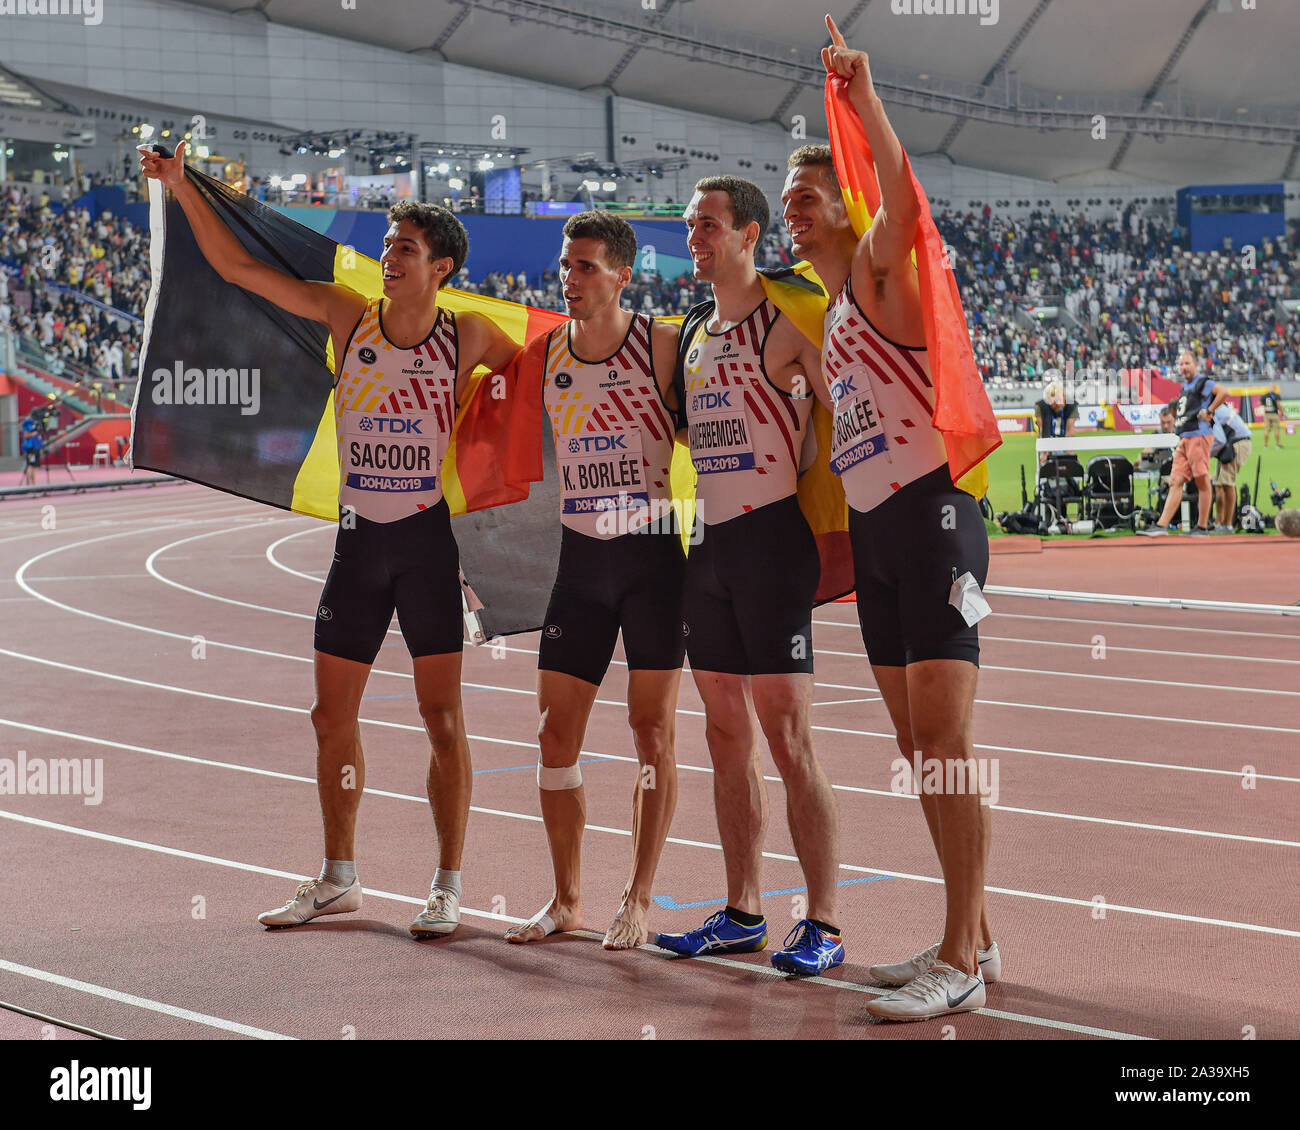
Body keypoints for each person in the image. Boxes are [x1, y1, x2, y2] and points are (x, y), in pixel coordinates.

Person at [140, 140, 523, 937]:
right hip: (359, 547)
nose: (389, 256)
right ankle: (339, 877)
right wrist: (182, 189)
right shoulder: (349, 314)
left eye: (406, 249)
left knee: (441, 718)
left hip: (425, 546)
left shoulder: (474, 336)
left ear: (441, 266)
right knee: (329, 716)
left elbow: (541, 396)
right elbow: (242, 272)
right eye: (387, 244)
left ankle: (448, 886)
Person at [776, 14, 999, 1020]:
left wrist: (863, 100)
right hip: (876, 538)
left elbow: (907, 206)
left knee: (946, 738)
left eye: (807, 193)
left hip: (935, 516)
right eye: (786, 197)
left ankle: (959, 953)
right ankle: (976, 934)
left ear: (843, 202)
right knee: (917, 750)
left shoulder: (877, 271)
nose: (793, 208)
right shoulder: (824, 325)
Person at [653, 174, 845, 977]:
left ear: (750, 235)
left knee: (787, 735)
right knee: (724, 735)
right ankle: (742, 911)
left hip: (773, 543)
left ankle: (825, 922)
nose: (694, 238)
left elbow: (851, 413)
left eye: (708, 226)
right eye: (691, 226)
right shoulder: (694, 330)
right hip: (713, 549)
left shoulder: (792, 318)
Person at [503, 212, 685, 950]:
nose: (568, 278)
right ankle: (565, 899)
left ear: (622, 275)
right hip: (578, 562)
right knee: (553, 736)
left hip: (649, 561)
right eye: (565, 264)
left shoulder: (664, 347)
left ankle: (638, 897)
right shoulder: (547, 354)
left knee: (652, 733)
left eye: (584, 266)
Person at [1141, 352, 1228, 537]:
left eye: (1187, 363)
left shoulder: (1202, 382)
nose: (1183, 367)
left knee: (1202, 480)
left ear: (1195, 365)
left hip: (1199, 435)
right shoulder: (1185, 388)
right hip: (1185, 437)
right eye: (1181, 364)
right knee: (1176, 481)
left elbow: (1224, 392)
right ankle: (1161, 525)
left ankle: (1203, 527)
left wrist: (1209, 410)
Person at [1210, 401, 1253, 532]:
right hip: (1231, 444)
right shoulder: (1216, 407)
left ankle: (1227, 525)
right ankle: (1219, 522)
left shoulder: (1214, 410)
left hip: (1237, 443)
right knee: (1219, 485)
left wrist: (1206, 455)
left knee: (1227, 483)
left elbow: (1220, 440)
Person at [1034, 379, 1077, 464]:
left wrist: (1070, 451)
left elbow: (1070, 431)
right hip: (1047, 440)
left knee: (1070, 466)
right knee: (1045, 467)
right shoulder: (1040, 406)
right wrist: (1044, 452)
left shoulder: (1072, 406)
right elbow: (1043, 429)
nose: (1057, 404)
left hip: (1064, 441)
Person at [20, 413, 43, 486]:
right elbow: (26, 435)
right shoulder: (27, 424)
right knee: (31, 465)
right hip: (31, 448)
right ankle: (32, 483)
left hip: (34, 447)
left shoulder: (34, 423)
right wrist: (35, 433)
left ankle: (32, 483)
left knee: (32, 465)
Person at [1261, 383, 1285, 449]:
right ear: (1274, 388)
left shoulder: (1264, 396)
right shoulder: (1276, 395)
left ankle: (1265, 445)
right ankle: (1277, 445)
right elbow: (1278, 405)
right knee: (1276, 430)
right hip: (1274, 414)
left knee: (1266, 430)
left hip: (1267, 414)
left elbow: (1261, 404)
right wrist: (1282, 412)